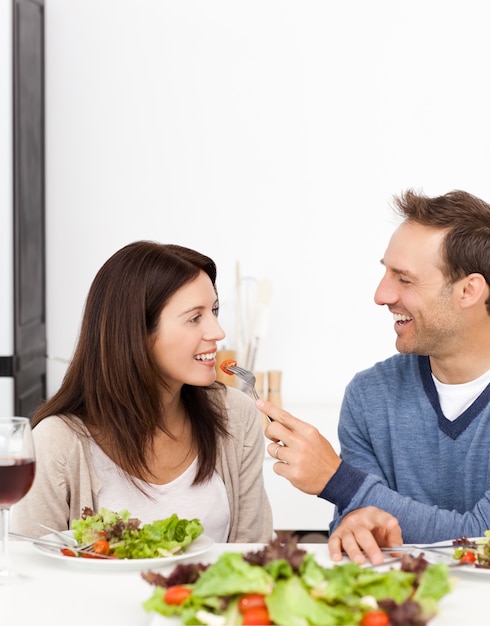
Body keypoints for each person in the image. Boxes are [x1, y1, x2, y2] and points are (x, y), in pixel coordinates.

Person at [257, 188, 490, 565]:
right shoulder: (370, 396)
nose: (381, 295)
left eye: (405, 279)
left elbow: (483, 536)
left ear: (468, 291)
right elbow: (356, 529)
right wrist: (355, 523)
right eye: (385, 272)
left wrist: (338, 481)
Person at [11, 241, 273, 543]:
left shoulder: (234, 415)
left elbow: (252, 557)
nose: (218, 331)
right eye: (195, 317)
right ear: (137, 333)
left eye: (213, 310)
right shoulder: (57, 442)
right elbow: (31, 571)